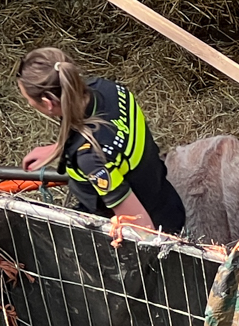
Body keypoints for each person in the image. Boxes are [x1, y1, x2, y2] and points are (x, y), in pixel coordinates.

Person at [16, 48, 186, 234]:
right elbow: (111, 136)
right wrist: (60, 148)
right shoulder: (106, 88)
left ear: (48, 103)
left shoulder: (91, 158)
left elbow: (142, 228)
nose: (29, 104)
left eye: (28, 101)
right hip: (166, 200)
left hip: (155, 228)